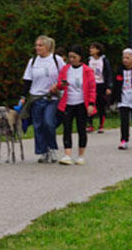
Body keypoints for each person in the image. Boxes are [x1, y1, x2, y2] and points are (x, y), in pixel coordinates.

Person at [18, 35, 64, 164]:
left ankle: (52, 148)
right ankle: (43, 151)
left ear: (48, 47)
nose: (37, 48)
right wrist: (22, 97)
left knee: (48, 122)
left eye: (40, 45)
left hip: (52, 98)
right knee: (38, 126)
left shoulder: (57, 60)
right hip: (36, 97)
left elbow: (65, 77)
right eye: (36, 45)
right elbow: (27, 80)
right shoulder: (33, 61)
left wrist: (59, 87)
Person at [56, 45, 97, 165]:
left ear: (80, 57)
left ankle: (81, 155)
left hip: (81, 103)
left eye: (74, 57)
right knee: (67, 128)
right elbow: (59, 84)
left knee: (81, 129)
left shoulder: (87, 70)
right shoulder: (65, 69)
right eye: (70, 57)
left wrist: (91, 104)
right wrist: (61, 85)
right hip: (68, 103)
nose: (72, 59)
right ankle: (67, 155)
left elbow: (92, 88)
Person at [87, 42, 112, 133]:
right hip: (91, 85)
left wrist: (108, 87)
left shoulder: (104, 60)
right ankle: (90, 124)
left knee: (101, 105)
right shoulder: (89, 60)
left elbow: (108, 73)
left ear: (98, 50)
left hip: (101, 84)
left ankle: (101, 124)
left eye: (93, 48)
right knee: (90, 104)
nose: (90, 50)